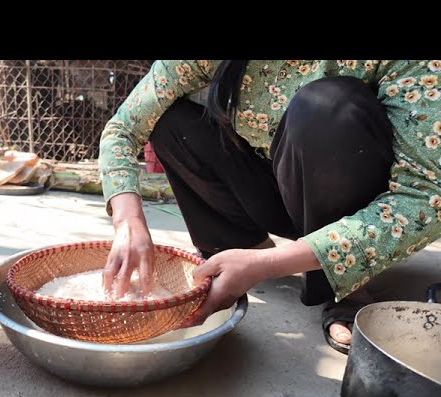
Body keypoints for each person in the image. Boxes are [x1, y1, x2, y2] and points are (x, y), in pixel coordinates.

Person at [97, 60, 441, 354]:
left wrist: (269, 265)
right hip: (277, 183)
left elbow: (426, 198)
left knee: (327, 104)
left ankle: (347, 289)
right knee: (171, 119)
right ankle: (238, 250)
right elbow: (123, 128)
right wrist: (129, 221)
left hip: (356, 204)